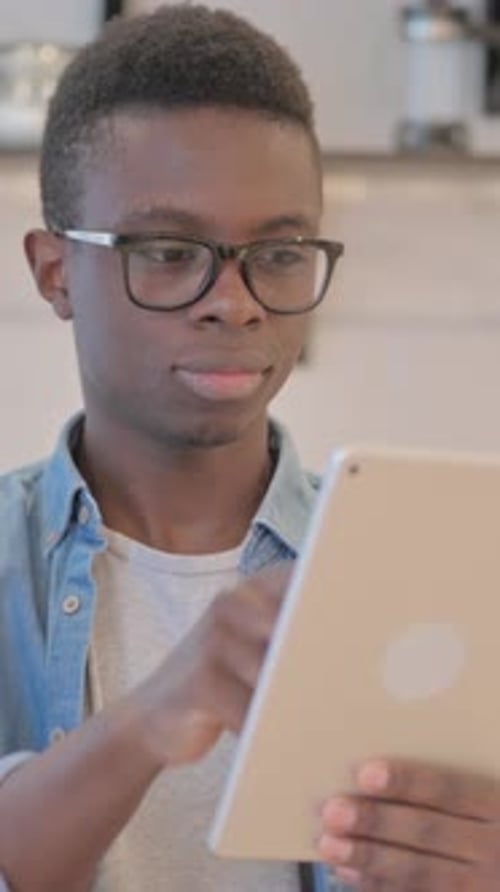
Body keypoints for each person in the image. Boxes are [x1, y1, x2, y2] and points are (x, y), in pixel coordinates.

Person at [0, 4, 498, 891]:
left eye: (280, 251)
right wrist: (158, 711)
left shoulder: (428, 581)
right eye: (166, 249)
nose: (234, 301)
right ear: (53, 272)